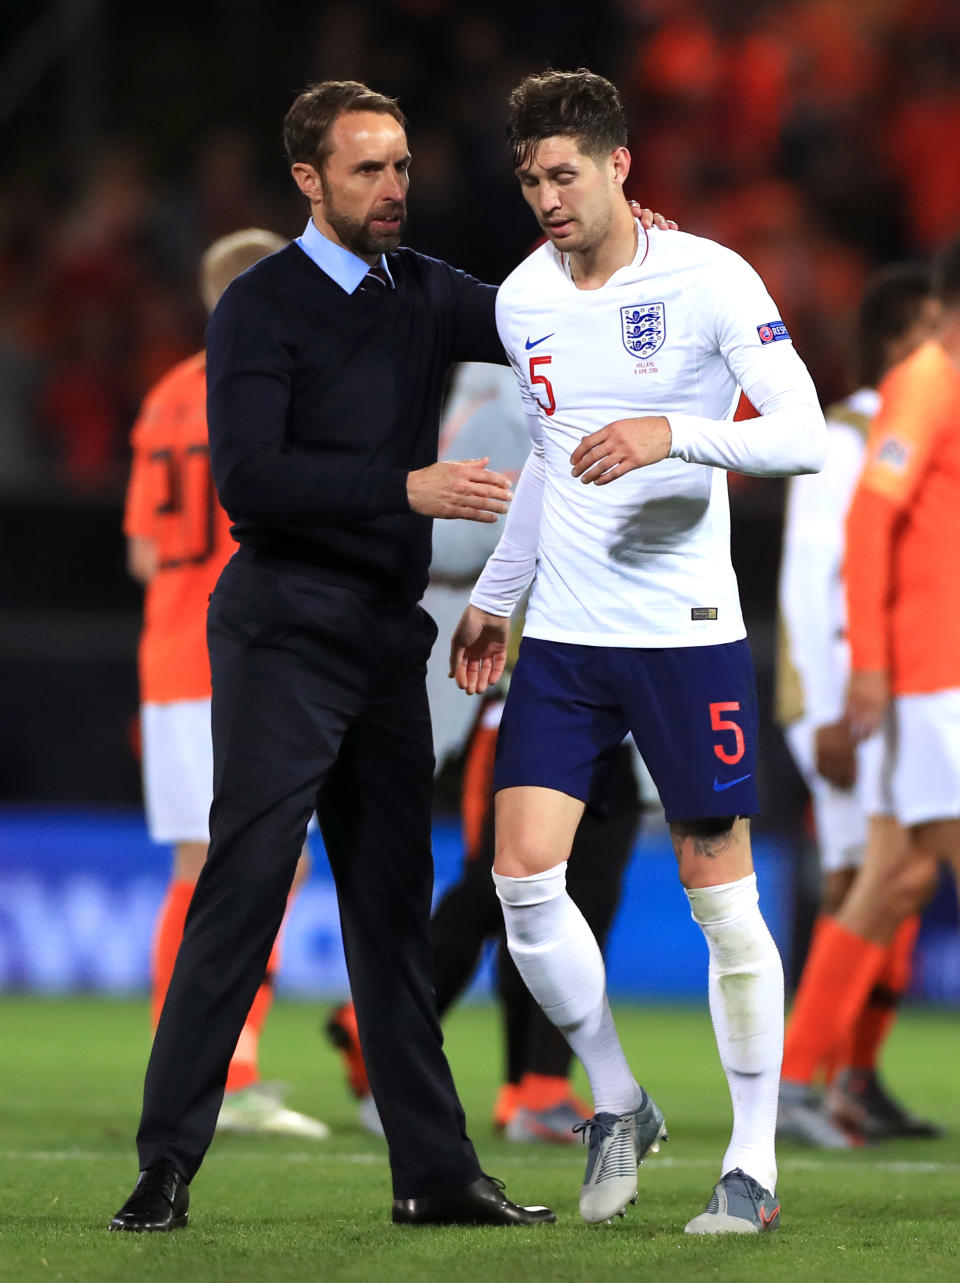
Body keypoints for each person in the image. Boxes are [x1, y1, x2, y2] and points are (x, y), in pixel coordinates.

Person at [109, 79, 555, 1233]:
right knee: (246, 882)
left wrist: (607, 245)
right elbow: (249, 481)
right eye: (368, 168)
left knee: (391, 906)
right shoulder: (259, 307)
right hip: (284, 624)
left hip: (381, 631)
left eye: (402, 165)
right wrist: (404, 487)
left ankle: (436, 1172)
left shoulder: (422, 290)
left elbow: (529, 319)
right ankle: (166, 1163)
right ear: (309, 179)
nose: (394, 187)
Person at [450, 69, 826, 1235]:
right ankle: (618, 1097)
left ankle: (752, 1163)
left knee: (721, 899)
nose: (547, 197)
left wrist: (677, 432)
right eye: (529, 179)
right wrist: (497, 599)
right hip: (563, 634)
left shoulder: (710, 277)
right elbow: (549, 468)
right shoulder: (522, 299)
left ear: (621, 166)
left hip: (686, 633)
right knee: (520, 875)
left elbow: (804, 433)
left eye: (564, 173)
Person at [327, 364, 644, 1143]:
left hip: (536, 682)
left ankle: (518, 1081)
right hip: (549, 681)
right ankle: (520, 1081)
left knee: (512, 890)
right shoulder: (540, 405)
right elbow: (501, 535)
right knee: (529, 889)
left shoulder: (478, 391)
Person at [123, 228, 329, 1143]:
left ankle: (188, 1066)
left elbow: (140, 551)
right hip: (248, 651)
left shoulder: (168, 395)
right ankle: (228, 1069)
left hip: (168, 655)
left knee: (194, 865)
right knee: (269, 860)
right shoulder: (273, 387)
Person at [775, 233, 960, 1118]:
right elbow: (865, 524)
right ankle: (808, 1075)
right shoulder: (926, 381)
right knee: (892, 875)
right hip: (931, 681)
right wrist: (871, 675)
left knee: (896, 877)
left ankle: (802, 1073)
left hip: (932, 676)